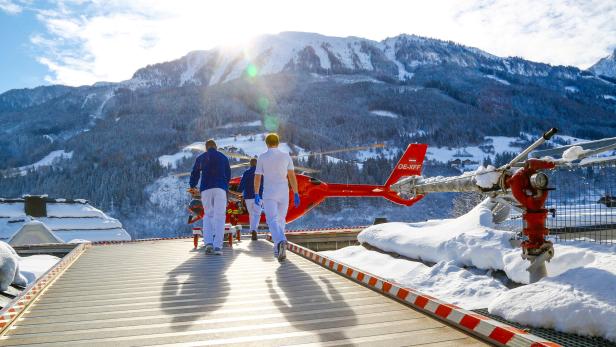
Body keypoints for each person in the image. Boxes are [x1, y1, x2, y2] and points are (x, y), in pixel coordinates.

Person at [254, 133, 300, 261]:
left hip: (269, 193)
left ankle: (281, 240)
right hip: (283, 193)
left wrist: (256, 193)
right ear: (278, 143)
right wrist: (296, 193)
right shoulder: (286, 156)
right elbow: (291, 176)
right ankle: (278, 250)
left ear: (267, 143)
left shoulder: (262, 157)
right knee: (281, 220)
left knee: (272, 220)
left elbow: (257, 177)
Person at [189, 139, 231, 255]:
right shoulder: (223, 157)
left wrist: (192, 185)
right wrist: (224, 186)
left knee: (208, 215)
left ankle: (208, 243)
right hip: (220, 189)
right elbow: (228, 175)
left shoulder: (201, 157)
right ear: (216, 147)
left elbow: (195, 172)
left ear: (206, 148)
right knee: (220, 217)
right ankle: (218, 246)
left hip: (206, 189)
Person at [238, 158, 263, 241]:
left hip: (248, 197)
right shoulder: (261, 173)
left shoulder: (246, 172)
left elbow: (242, 184)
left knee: (251, 214)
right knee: (257, 214)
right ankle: (254, 230)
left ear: (250, 164)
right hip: (258, 196)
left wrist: (238, 192)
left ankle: (253, 230)